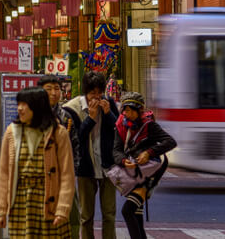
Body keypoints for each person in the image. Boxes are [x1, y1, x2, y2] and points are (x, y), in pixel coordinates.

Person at [0, 87, 75, 239]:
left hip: (49, 201)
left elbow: (67, 174)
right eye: (19, 103)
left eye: (25, 104)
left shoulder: (58, 133)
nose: (19, 108)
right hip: (20, 201)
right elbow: (4, 172)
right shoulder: (12, 132)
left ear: (38, 106)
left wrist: (63, 208)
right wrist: (1, 208)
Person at [112, 92, 176, 239]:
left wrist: (149, 152)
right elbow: (116, 150)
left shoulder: (150, 126)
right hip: (133, 173)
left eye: (129, 110)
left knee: (127, 211)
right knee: (136, 214)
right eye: (124, 110)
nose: (126, 113)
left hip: (148, 175)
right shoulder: (120, 126)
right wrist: (122, 160)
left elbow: (170, 141)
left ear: (139, 110)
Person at [64, 71, 119, 239]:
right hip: (86, 169)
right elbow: (76, 138)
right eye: (92, 93)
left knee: (109, 214)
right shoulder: (72, 108)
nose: (96, 97)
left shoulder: (108, 103)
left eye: (99, 92)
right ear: (85, 92)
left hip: (107, 167)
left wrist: (109, 114)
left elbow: (118, 130)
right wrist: (91, 118)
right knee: (86, 216)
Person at [39, 75, 81, 239]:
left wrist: (72, 172)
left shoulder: (66, 117)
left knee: (71, 218)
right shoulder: (32, 116)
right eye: (48, 89)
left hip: (64, 178)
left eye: (57, 89)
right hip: (41, 179)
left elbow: (75, 146)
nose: (54, 93)